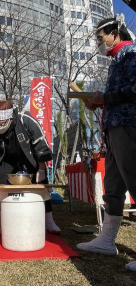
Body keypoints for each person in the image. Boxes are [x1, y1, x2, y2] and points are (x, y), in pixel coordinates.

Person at [76, 15, 136, 272]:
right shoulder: (117, 60)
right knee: (113, 186)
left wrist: (106, 98)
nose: (99, 44)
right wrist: (100, 101)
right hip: (113, 128)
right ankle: (107, 240)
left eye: (101, 38)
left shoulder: (131, 53)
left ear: (114, 32)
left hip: (129, 126)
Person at [0, 100, 60, 234]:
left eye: (0, 124)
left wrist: (41, 169)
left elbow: (40, 145)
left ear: (10, 119)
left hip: (29, 155)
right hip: (6, 158)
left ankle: (49, 220)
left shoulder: (26, 121)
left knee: (41, 184)